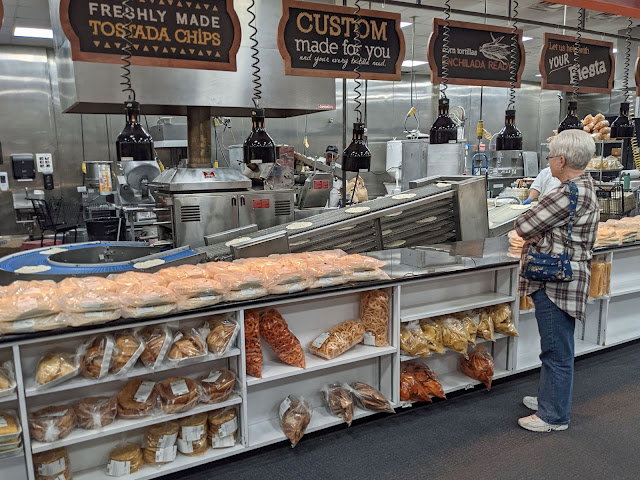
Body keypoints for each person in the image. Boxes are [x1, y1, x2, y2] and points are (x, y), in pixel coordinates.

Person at [514, 129, 599, 432]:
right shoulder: (585, 185)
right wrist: (544, 230)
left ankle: (553, 416)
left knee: (555, 350)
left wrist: (537, 230)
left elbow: (524, 223)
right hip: (570, 277)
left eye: (550, 157)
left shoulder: (566, 193)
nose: (549, 162)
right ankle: (551, 397)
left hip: (555, 282)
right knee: (557, 345)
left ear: (561, 160)